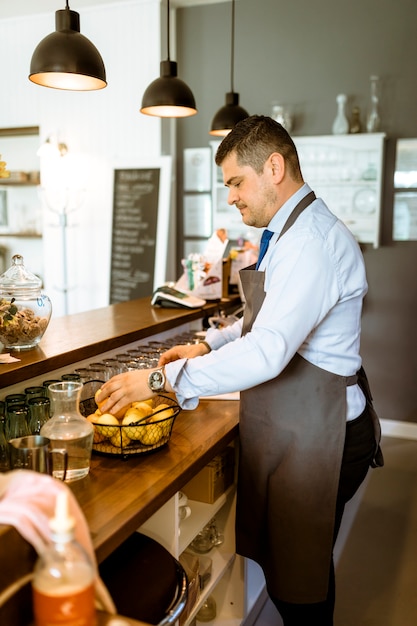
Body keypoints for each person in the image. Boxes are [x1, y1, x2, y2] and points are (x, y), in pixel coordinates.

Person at [99, 115, 383, 626]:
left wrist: (161, 380)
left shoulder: (311, 242)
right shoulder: (290, 232)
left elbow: (268, 351)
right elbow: (263, 323)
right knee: (301, 568)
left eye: (235, 182)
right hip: (304, 426)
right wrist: (207, 343)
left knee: (302, 588)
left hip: (325, 436)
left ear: (273, 167)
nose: (230, 197)